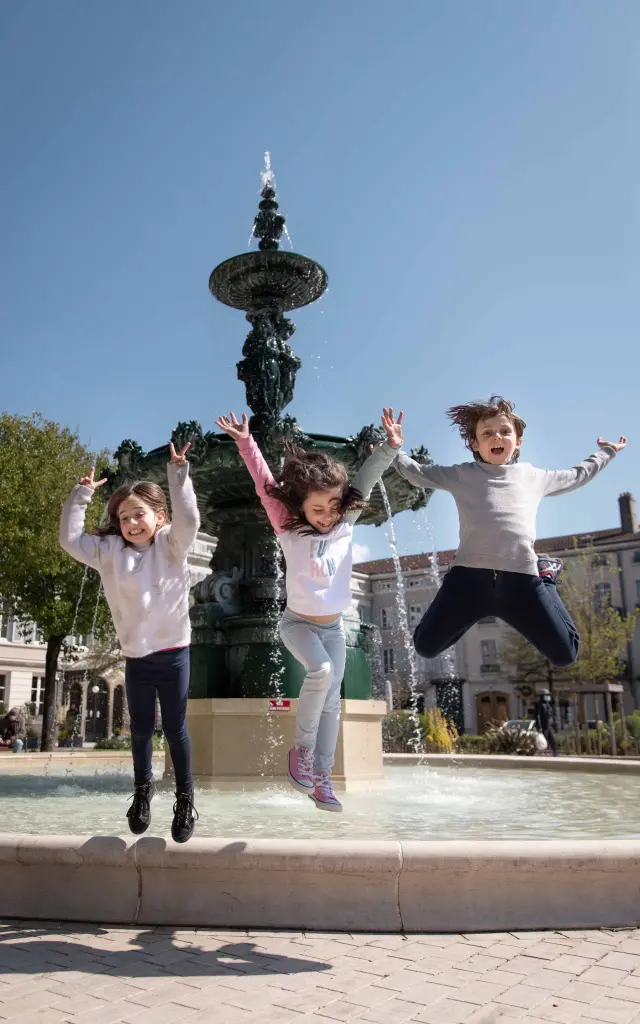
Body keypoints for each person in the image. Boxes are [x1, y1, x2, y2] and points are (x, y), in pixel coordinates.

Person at [216, 408, 404, 812]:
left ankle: (322, 779)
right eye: (317, 509)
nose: (326, 515)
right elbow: (266, 485)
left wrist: (390, 447)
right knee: (321, 672)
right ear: (301, 507)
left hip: (333, 628)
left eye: (333, 506)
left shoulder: (346, 522)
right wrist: (246, 443)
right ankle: (300, 751)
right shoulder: (288, 527)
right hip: (297, 624)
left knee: (332, 701)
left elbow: (367, 478)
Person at [393, 395, 627, 669]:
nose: (497, 437)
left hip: (521, 579)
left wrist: (606, 452)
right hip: (469, 579)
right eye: (487, 433)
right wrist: (394, 448)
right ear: (474, 444)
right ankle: (468, 612)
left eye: (505, 431)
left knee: (566, 654)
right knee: (425, 646)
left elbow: (577, 475)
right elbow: (417, 473)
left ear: (518, 441)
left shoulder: (533, 476)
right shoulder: (461, 474)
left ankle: (546, 577)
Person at [59, 443, 200, 843]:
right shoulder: (108, 552)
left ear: (160, 517)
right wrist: (81, 496)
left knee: (174, 729)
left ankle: (185, 799)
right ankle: (142, 791)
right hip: (137, 658)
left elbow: (190, 518)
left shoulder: (172, 544)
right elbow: (70, 540)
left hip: (174, 655)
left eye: (140, 514)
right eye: (124, 517)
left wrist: (178, 475)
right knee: (139, 730)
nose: (132, 523)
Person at [535, 688, 558, 756]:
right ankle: (534, 753)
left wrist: (553, 724)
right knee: (541, 741)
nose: (548, 697)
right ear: (542, 696)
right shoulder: (540, 705)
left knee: (552, 740)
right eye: (546, 695)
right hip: (543, 727)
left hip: (549, 726)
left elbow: (550, 715)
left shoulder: (548, 705)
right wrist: (539, 727)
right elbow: (538, 717)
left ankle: (555, 754)